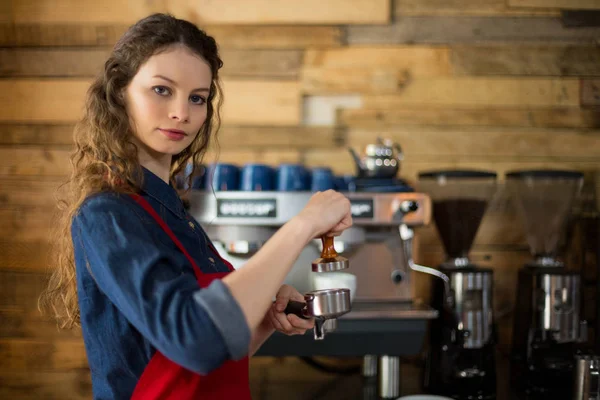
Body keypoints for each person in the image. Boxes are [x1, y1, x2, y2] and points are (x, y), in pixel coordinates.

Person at [39, 13, 352, 400]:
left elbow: (212, 353)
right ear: (120, 91)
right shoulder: (108, 215)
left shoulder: (175, 215)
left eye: (197, 98)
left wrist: (264, 320)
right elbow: (194, 341)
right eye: (161, 90)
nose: (181, 113)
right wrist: (302, 225)